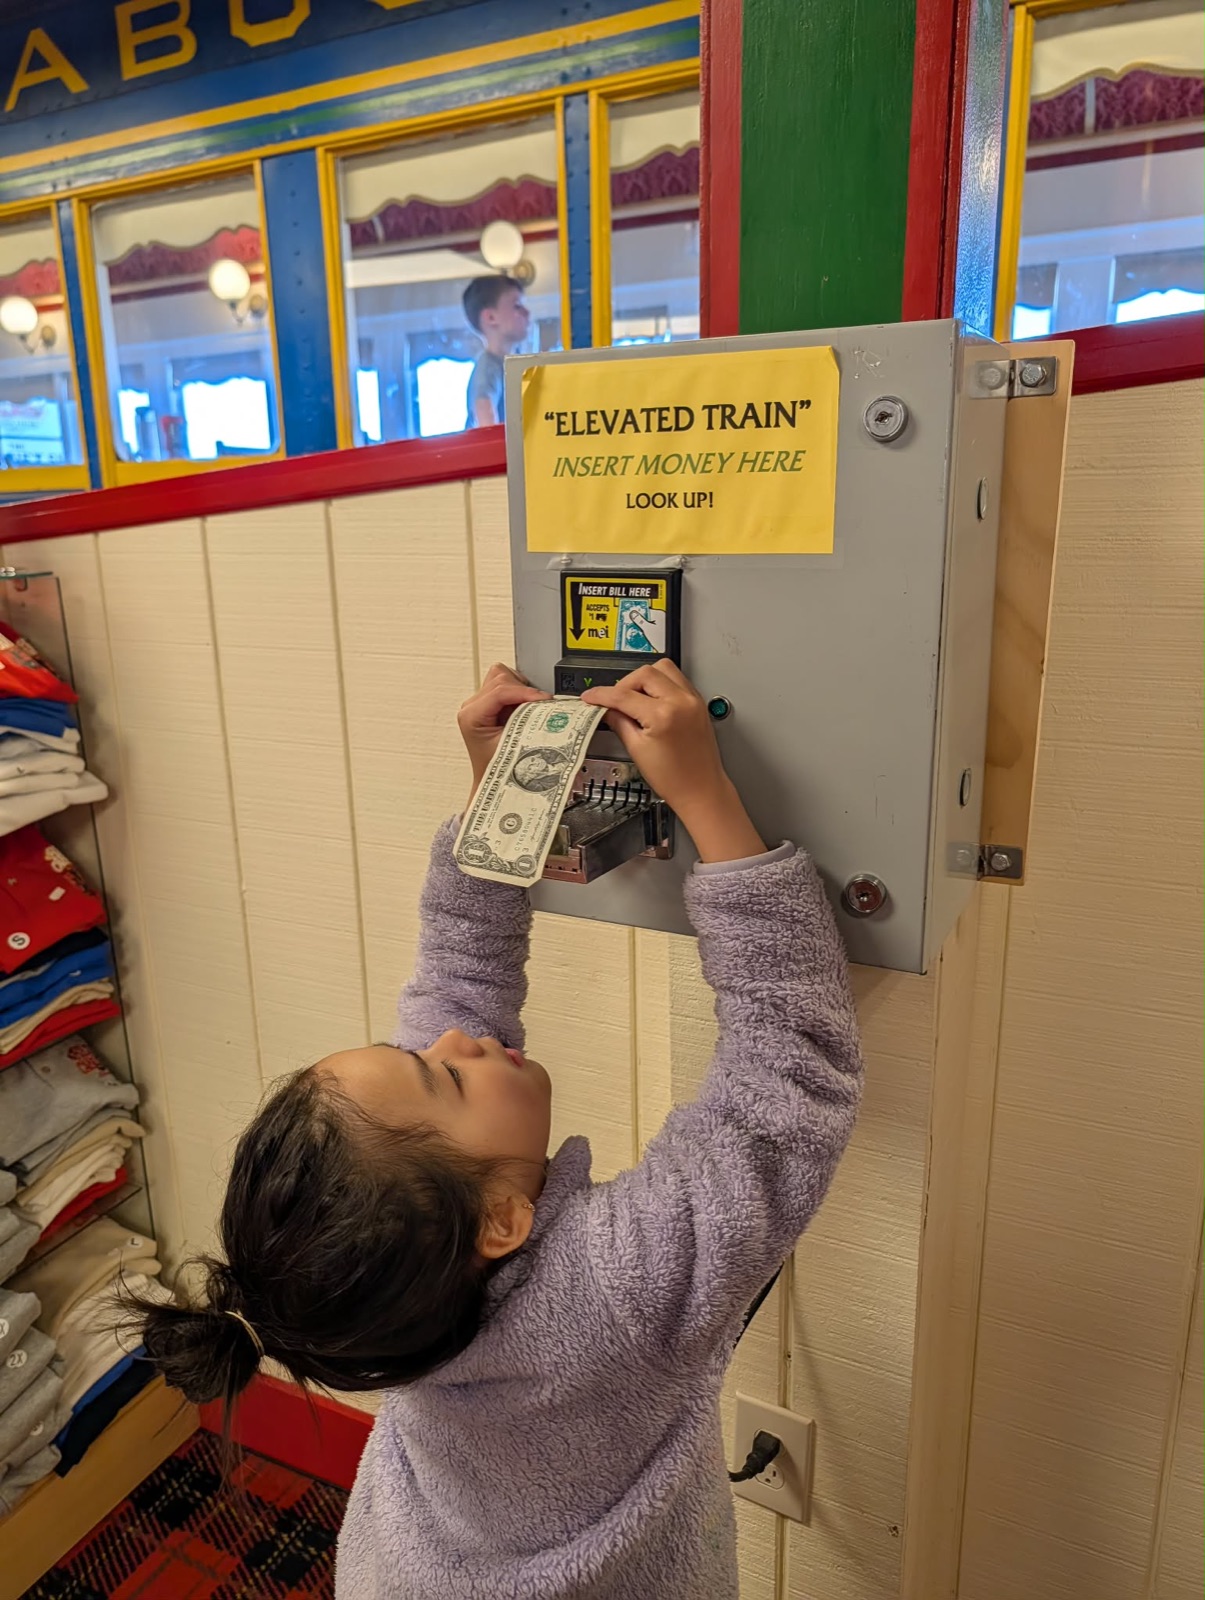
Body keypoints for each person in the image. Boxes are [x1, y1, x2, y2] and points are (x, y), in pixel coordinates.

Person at [134, 661, 863, 1600]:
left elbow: (457, 984)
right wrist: (707, 798)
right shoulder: (619, 1289)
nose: (453, 1036)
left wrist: (500, 800)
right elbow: (786, 1079)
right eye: (441, 1072)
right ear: (499, 1224)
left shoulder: (387, 1303)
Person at [461, 274, 530, 428]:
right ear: (491, 317)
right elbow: (485, 415)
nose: (527, 312)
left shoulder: (512, 366)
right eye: (517, 306)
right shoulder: (489, 367)